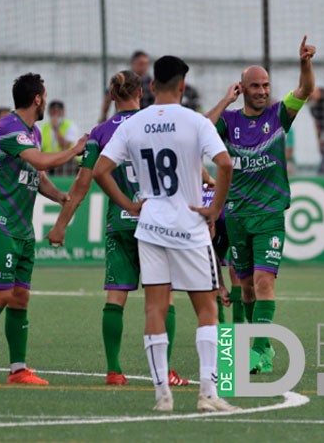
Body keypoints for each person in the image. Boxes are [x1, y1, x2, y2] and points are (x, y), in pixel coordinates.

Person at [93, 56, 236, 413]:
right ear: (183, 86)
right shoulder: (195, 121)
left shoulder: (133, 123)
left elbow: (100, 170)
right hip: (189, 225)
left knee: (154, 308)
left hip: (151, 225)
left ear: (152, 85)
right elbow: (225, 164)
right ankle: (207, 394)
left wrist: (129, 203)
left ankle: (162, 396)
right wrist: (214, 208)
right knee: (207, 309)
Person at [46, 70, 189, 387]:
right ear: (143, 93)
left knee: (115, 297)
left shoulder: (100, 133)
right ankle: (164, 371)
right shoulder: (156, 123)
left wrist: (60, 225)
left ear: (111, 97)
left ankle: (114, 370)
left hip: (120, 224)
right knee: (163, 299)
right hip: (157, 224)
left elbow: (83, 183)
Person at [0, 73, 87, 385]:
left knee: (19, 298)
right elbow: (39, 162)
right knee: (0, 295)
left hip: (22, 229)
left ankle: (17, 370)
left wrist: (60, 197)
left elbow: (36, 176)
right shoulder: (7, 128)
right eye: (45, 95)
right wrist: (74, 150)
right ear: (38, 98)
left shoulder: (34, 132)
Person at [206, 36, 316, 374]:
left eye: (266, 84)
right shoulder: (230, 123)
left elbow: (305, 89)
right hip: (238, 215)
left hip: (269, 215)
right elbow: (201, 129)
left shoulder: (279, 115)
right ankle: (263, 347)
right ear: (243, 88)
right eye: (255, 86)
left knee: (265, 282)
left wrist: (305, 64)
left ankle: (255, 353)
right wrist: (225, 101)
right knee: (247, 289)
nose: (262, 90)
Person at [99, 51, 156, 123]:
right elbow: (107, 99)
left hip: (144, 121)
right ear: (133, 63)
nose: (144, 67)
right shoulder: (122, 80)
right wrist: (103, 117)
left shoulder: (150, 82)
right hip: (123, 119)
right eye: (141, 64)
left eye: (146, 64)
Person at [39, 100, 81, 176]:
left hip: (67, 159)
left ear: (63, 112)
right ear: (49, 112)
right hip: (49, 160)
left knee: (64, 164)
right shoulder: (44, 128)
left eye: (58, 112)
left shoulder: (70, 126)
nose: (56, 115)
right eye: (53, 112)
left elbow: (64, 146)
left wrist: (56, 128)